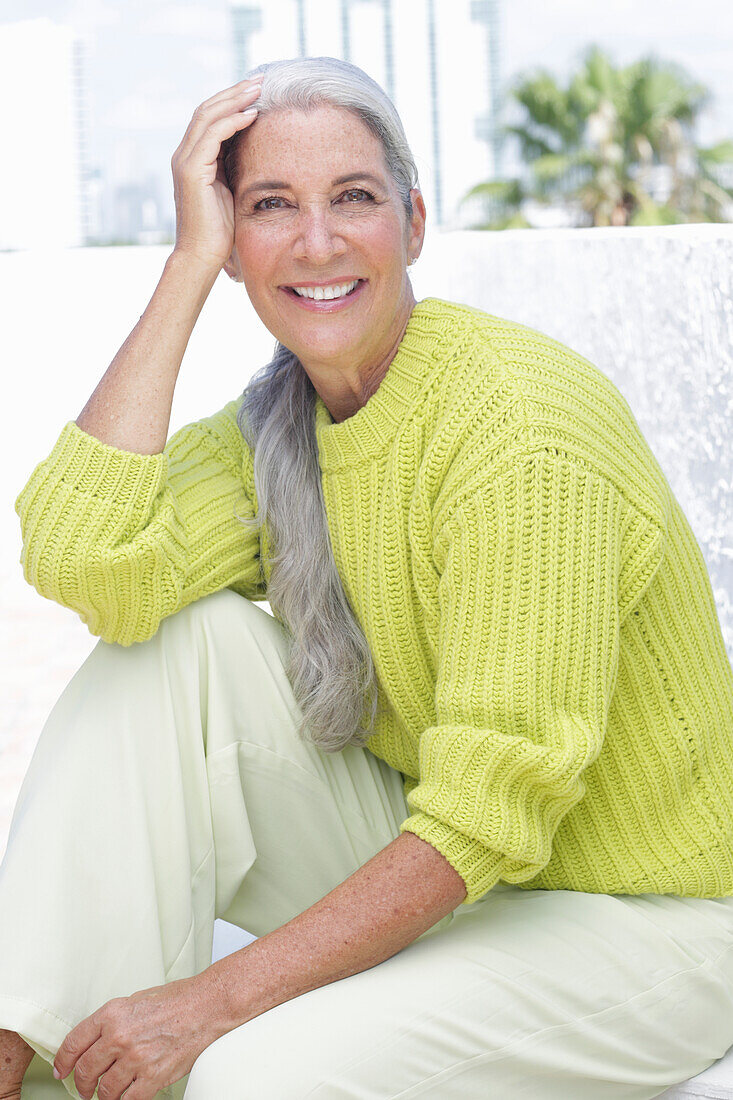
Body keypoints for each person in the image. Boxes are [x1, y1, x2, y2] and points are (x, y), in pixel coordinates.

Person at [2, 53, 733, 1100]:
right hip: (454, 865)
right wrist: (183, 270)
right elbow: (87, 566)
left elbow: (487, 813)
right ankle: (25, 1053)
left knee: (250, 1069)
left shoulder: (517, 431)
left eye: (352, 198)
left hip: (645, 918)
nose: (315, 241)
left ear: (414, 223)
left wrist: (206, 1001)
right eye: (268, 207)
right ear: (234, 242)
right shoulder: (283, 421)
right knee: (169, 646)